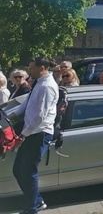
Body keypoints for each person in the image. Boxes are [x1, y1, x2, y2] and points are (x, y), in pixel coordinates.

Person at [10, 56, 59, 214]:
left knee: (28, 172)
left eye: (31, 68)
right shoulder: (39, 83)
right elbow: (27, 103)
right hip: (31, 132)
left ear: (42, 67)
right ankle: (36, 201)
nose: (29, 71)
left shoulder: (47, 86)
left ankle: (31, 209)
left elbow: (40, 116)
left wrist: (23, 135)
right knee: (18, 170)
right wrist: (11, 114)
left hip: (39, 134)